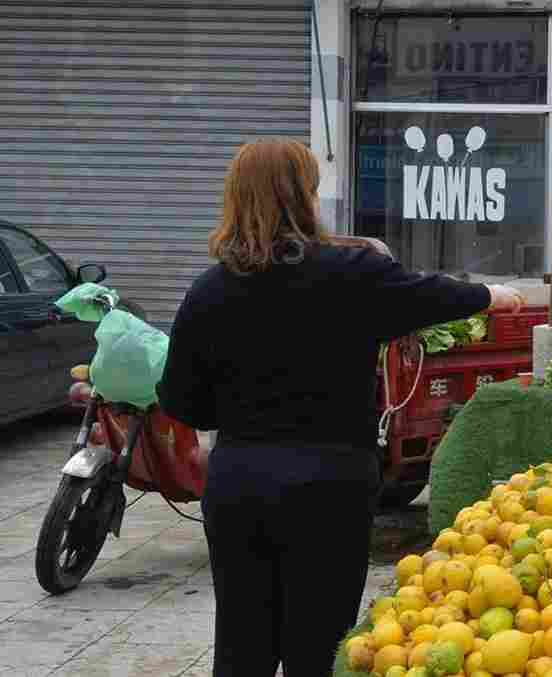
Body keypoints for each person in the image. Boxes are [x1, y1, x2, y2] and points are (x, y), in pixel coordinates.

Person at [156, 138, 524, 676]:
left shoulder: (208, 291)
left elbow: (184, 404)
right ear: (306, 194)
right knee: (320, 645)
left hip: (241, 483)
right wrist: (493, 294)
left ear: (234, 198)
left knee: (241, 641)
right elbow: (431, 294)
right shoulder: (354, 271)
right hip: (331, 483)